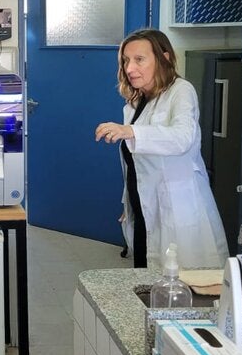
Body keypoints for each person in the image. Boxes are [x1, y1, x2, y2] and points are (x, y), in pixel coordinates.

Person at [95, 28, 229, 269]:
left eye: (139, 59)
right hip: (143, 208)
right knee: (146, 276)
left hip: (175, 207)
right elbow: (135, 165)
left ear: (163, 58)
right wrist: (128, 203)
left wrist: (130, 131)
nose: (129, 68)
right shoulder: (137, 100)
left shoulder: (181, 91)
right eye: (125, 60)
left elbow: (182, 138)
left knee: (181, 279)